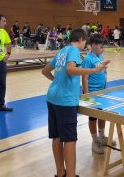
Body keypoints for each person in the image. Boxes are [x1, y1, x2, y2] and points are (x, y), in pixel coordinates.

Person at [42, 29, 108, 177]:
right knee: (70, 139)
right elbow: (71, 69)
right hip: (65, 101)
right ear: (81, 40)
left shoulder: (62, 51)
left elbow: (45, 71)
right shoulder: (73, 51)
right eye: (85, 42)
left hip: (52, 97)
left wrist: (57, 82)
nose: (85, 45)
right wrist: (94, 70)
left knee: (57, 137)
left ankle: (61, 173)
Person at [82, 34, 115, 154]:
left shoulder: (100, 56)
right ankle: (94, 140)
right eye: (101, 47)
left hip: (102, 91)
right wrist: (86, 94)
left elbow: (103, 72)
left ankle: (102, 136)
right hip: (92, 92)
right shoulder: (87, 59)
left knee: (102, 114)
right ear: (93, 45)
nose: (103, 49)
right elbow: (84, 77)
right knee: (93, 117)